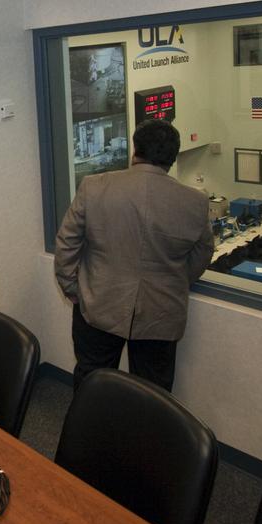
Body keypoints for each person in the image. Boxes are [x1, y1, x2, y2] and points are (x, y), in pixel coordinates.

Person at [53, 119, 213, 392]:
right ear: (172, 159)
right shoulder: (196, 202)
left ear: (134, 150)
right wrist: (174, 281)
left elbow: (67, 244)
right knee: (152, 397)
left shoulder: (93, 186)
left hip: (98, 304)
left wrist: (73, 289)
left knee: (92, 386)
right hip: (161, 312)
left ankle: (89, 434)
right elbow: (202, 254)